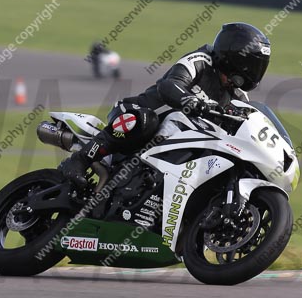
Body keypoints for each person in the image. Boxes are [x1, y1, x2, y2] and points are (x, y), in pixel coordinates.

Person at [60, 22, 271, 188]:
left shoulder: (239, 96)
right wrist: (192, 102)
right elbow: (170, 84)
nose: (254, 71)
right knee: (145, 121)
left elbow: (246, 124)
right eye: (252, 64)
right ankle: (79, 160)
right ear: (233, 56)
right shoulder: (201, 60)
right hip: (136, 116)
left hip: (177, 143)